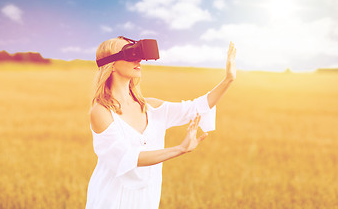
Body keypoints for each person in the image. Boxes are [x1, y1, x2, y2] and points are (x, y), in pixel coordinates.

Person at [85, 36, 237, 209]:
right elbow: (126, 159)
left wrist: (228, 80)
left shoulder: (152, 108)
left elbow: (196, 107)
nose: (138, 59)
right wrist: (180, 149)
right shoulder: (101, 112)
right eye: (130, 53)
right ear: (111, 64)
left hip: (145, 201)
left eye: (138, 52)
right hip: (110, 201)